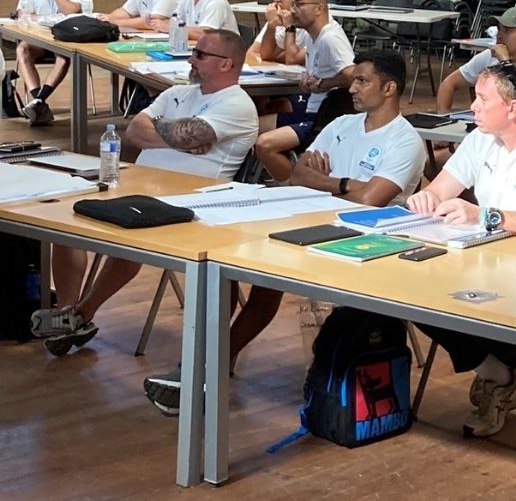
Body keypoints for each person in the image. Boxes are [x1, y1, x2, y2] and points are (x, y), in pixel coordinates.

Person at [143, 51, 427, 414]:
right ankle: (207, 367)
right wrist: (343, 183)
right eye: (353, 79)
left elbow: (372, 200)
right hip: (310, 220)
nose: (352, 87)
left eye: (362, 81)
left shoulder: (404, 140)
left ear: (389, 88)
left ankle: (204, 371)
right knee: (225, 259)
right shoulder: (342, 125)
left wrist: (326, 181)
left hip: (363, 239)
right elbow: (298, 175)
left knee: (268, 276)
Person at [28, 30, 259, 354]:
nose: (191, 59)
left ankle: (82, 314)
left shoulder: (237, 105)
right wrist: (177, 138)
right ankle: (69, 313)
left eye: (201, 55)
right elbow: (135, 131)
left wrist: (166, 132)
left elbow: (178, 134)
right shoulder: (179, 92)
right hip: (138, 185)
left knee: (130, 224)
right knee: (66, 218)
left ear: (227, 64)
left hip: (189, 203)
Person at [407, 62, 516, 438]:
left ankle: (497, 375)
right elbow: (441, 189)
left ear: (512, 108)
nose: (472, 107)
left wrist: (485, 215)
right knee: (412, 292)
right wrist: (425, 199)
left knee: (467, 298)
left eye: (482, 99)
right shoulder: (481, 138)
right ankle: (497, 374)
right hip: (494, 252)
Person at [254, 0, 356, 183]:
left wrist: (323, 84)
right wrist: (309, 79)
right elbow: (289, 58)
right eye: (292, 5)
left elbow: (353, 75)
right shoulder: (313, 35)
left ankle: (294, 185)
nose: (292, 11)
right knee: (250, 126)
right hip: (311, 105)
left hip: (323, 116)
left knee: (264, 144)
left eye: (299, 5)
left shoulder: (330, 38)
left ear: (319, 8)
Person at [436, 7, 516, 118]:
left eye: (507, 30)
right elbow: (448, 84)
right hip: (495, 129)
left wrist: (505, 62)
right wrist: (443, 119)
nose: (500, 34)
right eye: (499, 29)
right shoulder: (489, 56)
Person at [14, 0, 84, 126]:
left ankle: (38, 102)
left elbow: (71, 12)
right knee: (22, 49)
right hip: (38, 38)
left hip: (63, 38)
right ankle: (39, 101)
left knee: (64, 55)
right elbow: (24, 15)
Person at [249, 0, 304, 64]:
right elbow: (253, 52)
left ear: (296, 1)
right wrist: (271, 25)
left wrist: (273, 55)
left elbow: (289, 58)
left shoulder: (304, 22)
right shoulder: (275, 18)